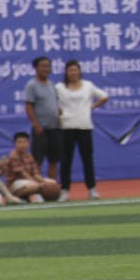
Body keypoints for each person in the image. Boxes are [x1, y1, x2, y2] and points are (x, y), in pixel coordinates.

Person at [56, 59, 110, 199]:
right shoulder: (59, 87)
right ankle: (65, 190)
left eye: (75, 70)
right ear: (66, 72)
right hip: (67, 127)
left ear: (79, 71)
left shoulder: (88, 85)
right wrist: (58, 111)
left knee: (87, 159)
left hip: (85, 126)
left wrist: (91, 107)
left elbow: (104, 96)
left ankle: (92, 189)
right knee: (66, 160)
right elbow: (51, 101)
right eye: (70, 70)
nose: (73, 73)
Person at [21, 56, 62, 178]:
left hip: (55, 128)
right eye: (43, 66)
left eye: (48, 66)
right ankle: (38, 187)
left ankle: (52, 186)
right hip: (41, 129)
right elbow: (29, 106)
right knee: (37, 161)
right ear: (36, 68)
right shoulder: (32, 85)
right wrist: (36, 124)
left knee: (54, 161)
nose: (46, 69)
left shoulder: (52, 85)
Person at [0, 131, 61, 202]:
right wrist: (39, 184)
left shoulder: (29, 156)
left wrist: (44, 182)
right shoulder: (13, 156)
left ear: (28, 143)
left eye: (24, 142)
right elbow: (22, 174)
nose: (22, 145)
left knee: (52, 183)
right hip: (14, 183)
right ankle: (16, 197)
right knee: (34, 186)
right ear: (15, 144)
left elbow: (36, 174)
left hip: (27, 181)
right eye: (19, 142)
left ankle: (44, 199)